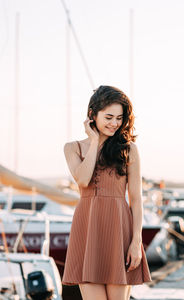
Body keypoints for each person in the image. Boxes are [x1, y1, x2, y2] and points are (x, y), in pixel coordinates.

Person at [62, 85, 152, 300]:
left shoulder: (129, 149)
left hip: (118, 229)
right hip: (86, 228)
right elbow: (83, 181)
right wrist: (94, 141)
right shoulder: (72, 148)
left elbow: (137, 200)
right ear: (92, 114)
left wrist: (136, 242)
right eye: (109, 117)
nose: (114, 123)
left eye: (119, 118)